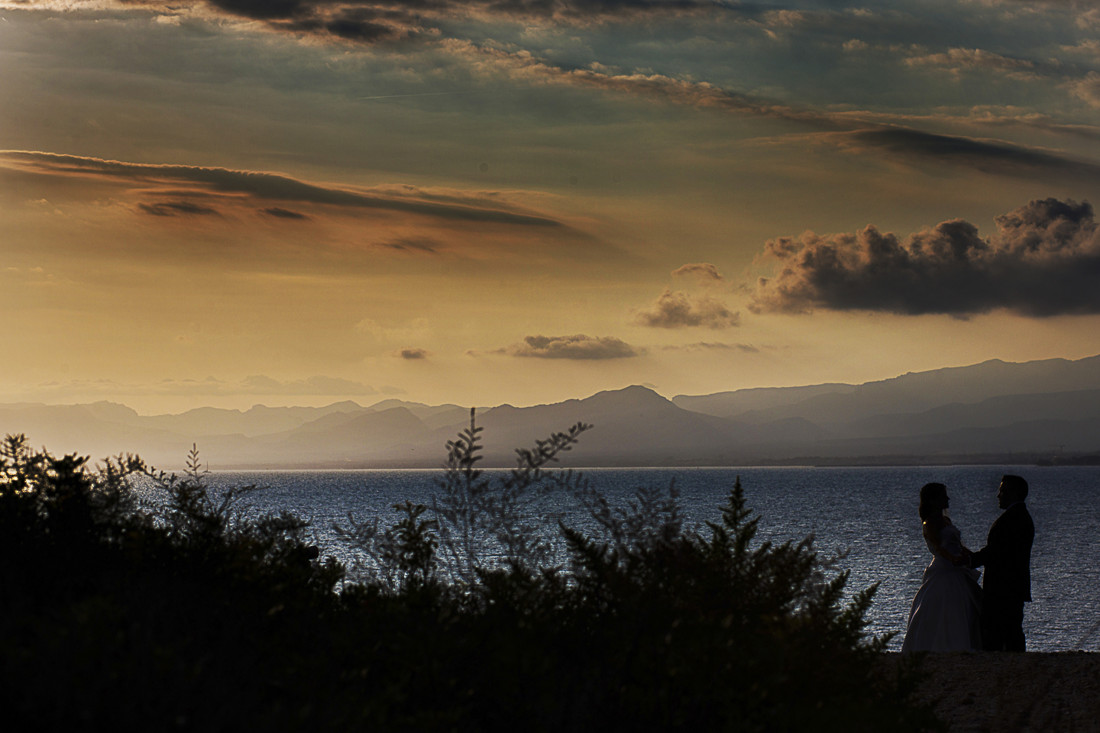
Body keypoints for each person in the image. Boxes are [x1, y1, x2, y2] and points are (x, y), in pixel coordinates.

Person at [901, 482, 983, 653]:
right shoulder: (929, 523)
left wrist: (973, 557)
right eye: (943, 496)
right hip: (943, 569)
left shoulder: (946, 520)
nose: (948, 498)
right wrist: (953, 559)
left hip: (957, 569)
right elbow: (939, 547)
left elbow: (957, 545)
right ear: (933, 500)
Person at [970, 474, 1034, 652]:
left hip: (1003, 588)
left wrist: (970, 560)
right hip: (1012, 588)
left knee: (999, 632)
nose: (998, 495)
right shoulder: (1020, 516)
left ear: (1013, 493)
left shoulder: (1013, 519)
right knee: (1011, 631)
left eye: (1002, 490)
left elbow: (996, 552)